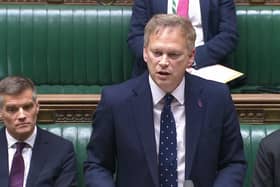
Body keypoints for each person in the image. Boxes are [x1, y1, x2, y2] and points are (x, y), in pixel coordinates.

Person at [84, 14, 246, 187]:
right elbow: (97, 166)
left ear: (191, 57)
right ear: (145, 53)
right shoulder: (116, 101)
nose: (163, 62)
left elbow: (233, 163)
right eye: (157, 53)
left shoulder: (216, 98)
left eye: (173, 55)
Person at [0, 76, 77, 187]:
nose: (22, 116)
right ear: (1, 113)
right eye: (12, 109)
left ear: (37, 107)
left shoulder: (61, 150)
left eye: (27, 107)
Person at [128, 0, 239, 77]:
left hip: (204, 65)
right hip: (159, 66)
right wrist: (161, 58)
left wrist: (190, 59)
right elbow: (136, 37)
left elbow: (228, 35)